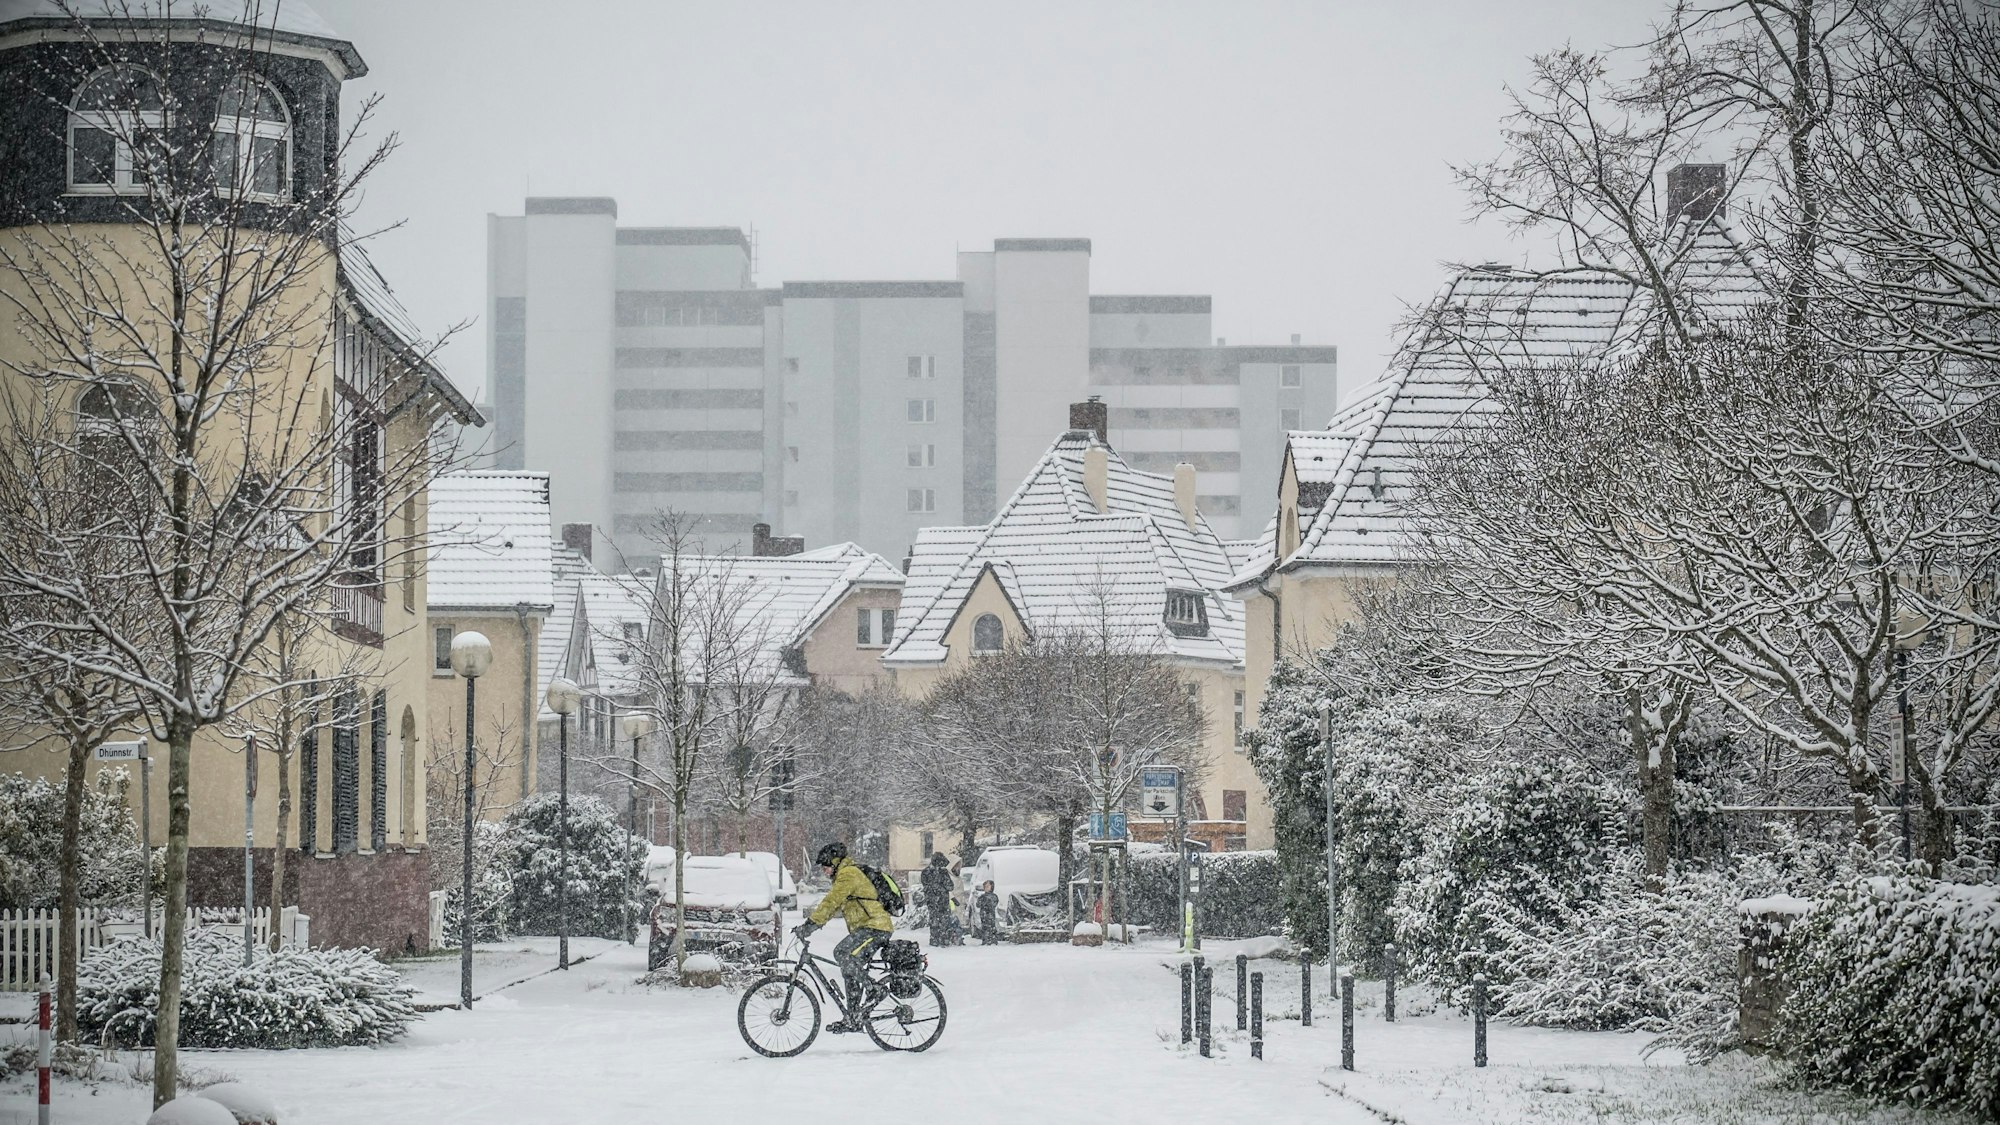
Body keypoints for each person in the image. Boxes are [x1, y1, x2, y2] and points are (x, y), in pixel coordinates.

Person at [793, 842, 894, 1033]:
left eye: (825, 866)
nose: (824, 871)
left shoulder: (848, 874)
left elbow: (831, 902)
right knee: (849, 968)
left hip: (875, 927)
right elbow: (834, 907)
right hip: (868, 927)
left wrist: (810, 925)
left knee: (841, 953)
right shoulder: (844, 875)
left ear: (836, 862)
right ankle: (853, 1017)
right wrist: (814, 924)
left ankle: (875, 989)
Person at [920, 852, 960, 945]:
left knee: (939, 921)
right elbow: (949, 886)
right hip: (938, 902)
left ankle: (939, 939)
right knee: (939, 921)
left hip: (938, 902)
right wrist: (941, 887)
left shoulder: (931, 872)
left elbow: (950, 886)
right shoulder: (933, 872)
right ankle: (940, 939)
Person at [975, 880, 1000, 945]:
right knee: (984, 928)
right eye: (985, 886)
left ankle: (992, 940)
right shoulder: (982, 896)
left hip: (990, 915)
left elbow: (993, 904)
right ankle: (986, 940)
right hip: (983, 915)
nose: (986, 888)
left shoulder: (994, 896)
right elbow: (978, 904)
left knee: (991, 927)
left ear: (992, 887)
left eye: (987, 886)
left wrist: (985, 903)